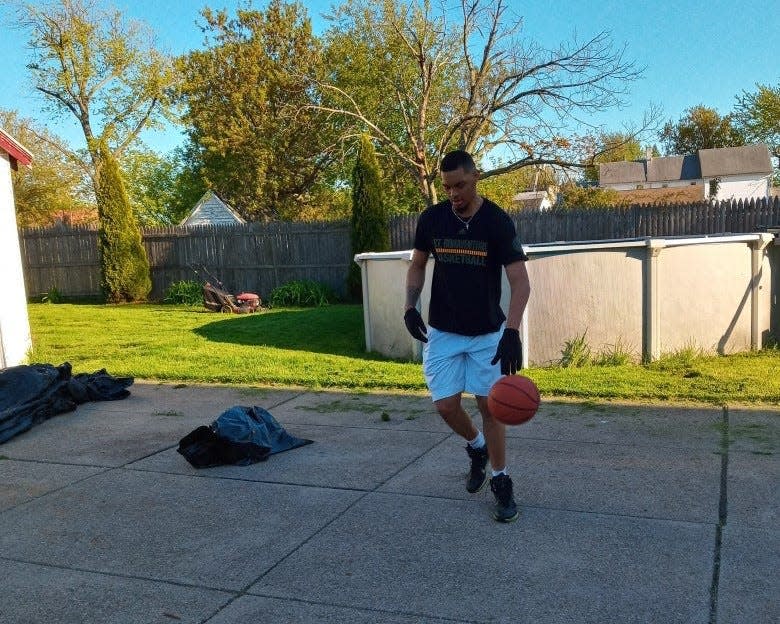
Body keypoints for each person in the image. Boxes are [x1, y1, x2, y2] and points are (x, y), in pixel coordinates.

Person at [403, 149, 531, 523]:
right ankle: (476, 448)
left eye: (459, 185)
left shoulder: (496, 222)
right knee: (445, 406)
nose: (454, 194)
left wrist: (512, 331)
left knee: (490, 408)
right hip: (442, 331)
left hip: (487, 334)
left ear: (476, 178)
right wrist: (409, 306)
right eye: (447, 188)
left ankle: (501, 479)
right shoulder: (433, 219)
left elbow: (520, 281)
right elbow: (417, 265)